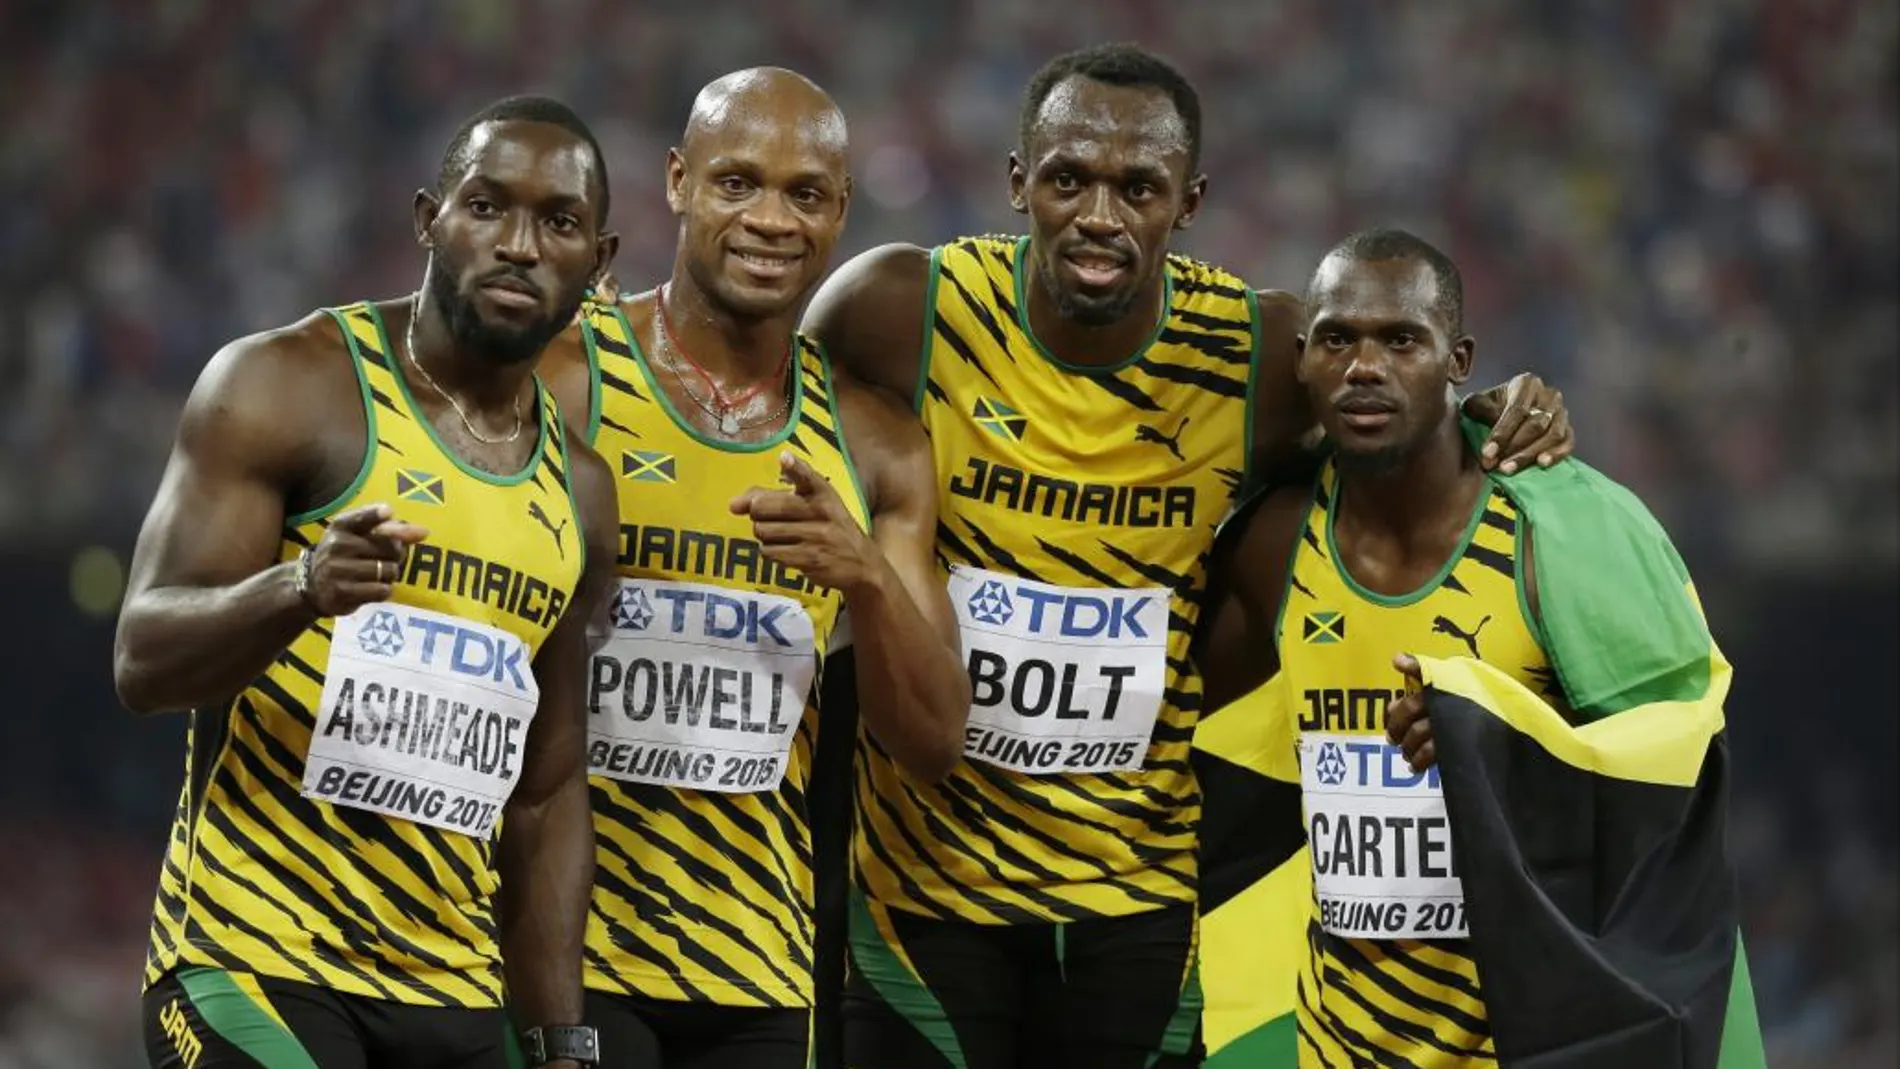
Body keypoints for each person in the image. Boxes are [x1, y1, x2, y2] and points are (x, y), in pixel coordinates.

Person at [799, 42, 1575, 1069]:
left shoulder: (1261, 356)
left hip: (1139, 906)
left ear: (1189, 199)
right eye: (1069, 179)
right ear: (1017, 180)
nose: (1099, 217)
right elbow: (761, 414)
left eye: (1138, 187)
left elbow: (1397, 427)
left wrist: (1495, 415)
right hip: (922, 896)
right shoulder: (904, 309)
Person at [116, 96, 621, 1069]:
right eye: (487, 207)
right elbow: (143, 657)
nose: (519, 244)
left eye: (557, 222)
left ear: (598, 263)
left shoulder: (582, 490)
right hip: (254, 962)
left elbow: (545, 797)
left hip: (453, 989)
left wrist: (563, 1038)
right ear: (429, 218)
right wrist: (298, 586)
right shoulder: (286, 386)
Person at [1195, 228, 1764, 1067]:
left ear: (1456, 358)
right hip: (1333, 1041)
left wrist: (1493, 731)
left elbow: (1675, 770)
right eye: (1338, 339)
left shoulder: (1561, 534)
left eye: (1401, 340)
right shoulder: (1275, 541)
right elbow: (1194, 740)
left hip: (1522, 1045)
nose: (1364, 365)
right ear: (1305, 361)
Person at [536, 68, 969, 1069]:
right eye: (738, 184)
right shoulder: (565, 380)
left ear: (841, 209)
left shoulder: (873, 443)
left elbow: (936, 739)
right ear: (679, 182)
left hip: (756, 968)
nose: (771, 219)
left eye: (804, 193)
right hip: (564, 950)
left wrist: (864, 576)